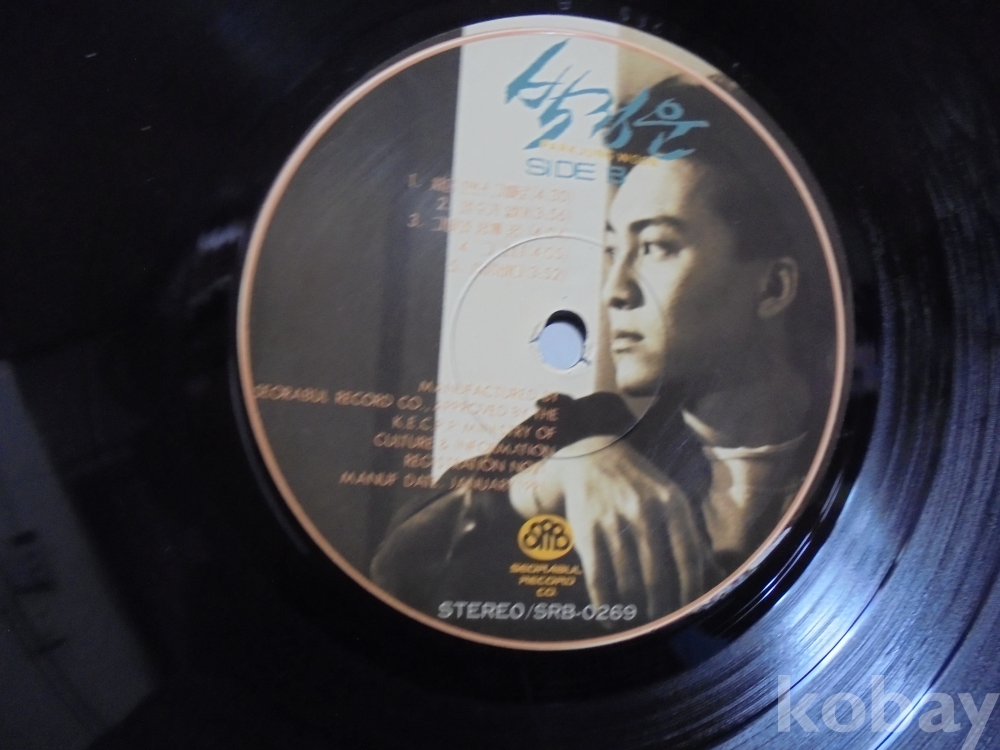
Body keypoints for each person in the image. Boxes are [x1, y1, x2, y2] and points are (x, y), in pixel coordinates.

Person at [370, 78, 834, 633]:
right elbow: (397, 569)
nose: (614, 290)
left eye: (655, 246)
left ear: (773, 288)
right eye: (613, 249)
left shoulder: (850, 462)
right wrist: (549, 481)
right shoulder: (575, 429)